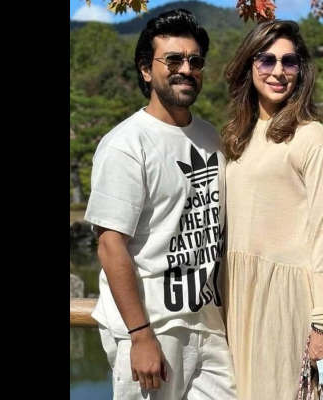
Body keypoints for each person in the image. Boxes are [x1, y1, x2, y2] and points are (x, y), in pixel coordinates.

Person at [84, 9, 237, 400]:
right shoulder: (126, 144)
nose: (186, 69)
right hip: (152, 329)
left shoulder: (211, 138)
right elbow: (110, 244)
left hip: (209, 325)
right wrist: (140, 335)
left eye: (195, 61)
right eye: (173, 60)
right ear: (146, 70)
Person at [220, 19, 323, 400]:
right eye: (267, 60)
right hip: (235, 292)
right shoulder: (236, 136)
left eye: (289, 61)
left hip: (283, 298)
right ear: (249, 65)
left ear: (300, 70)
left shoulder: (311, 137)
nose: (278, 71)